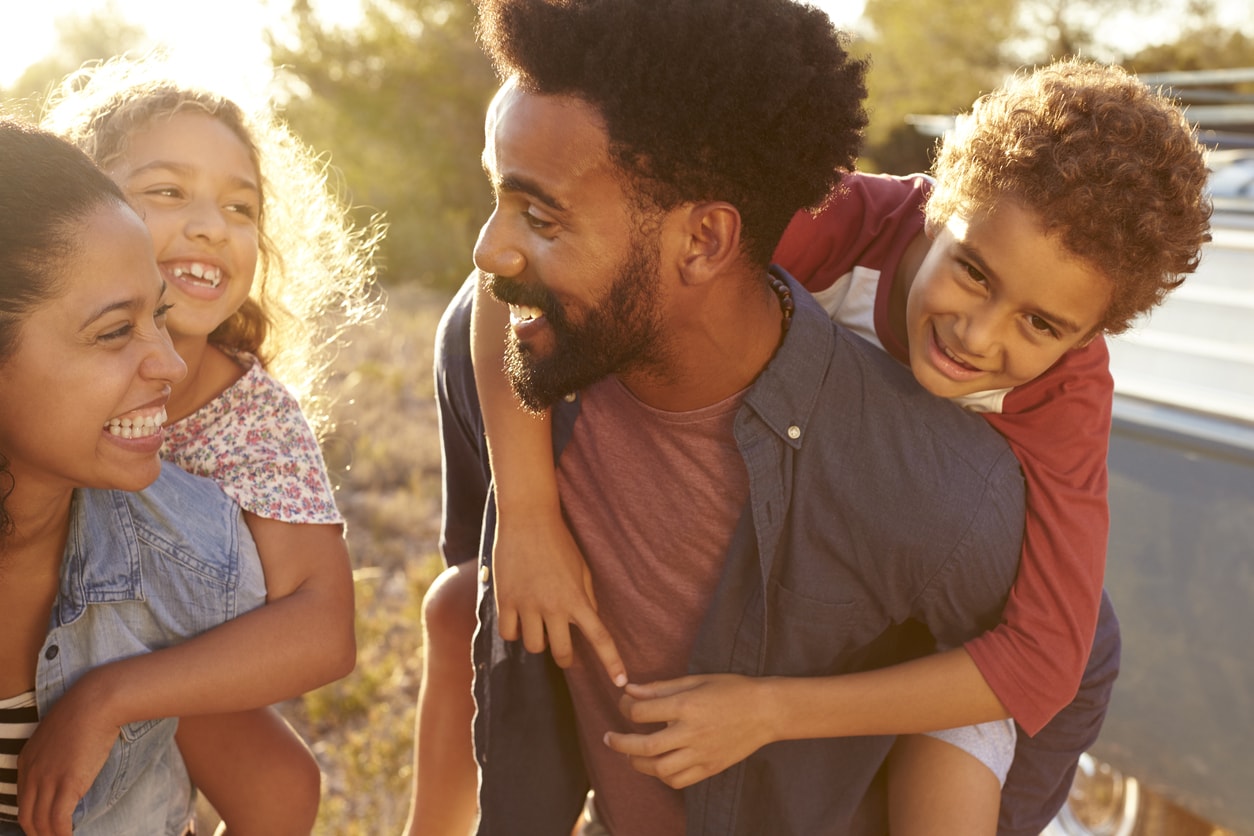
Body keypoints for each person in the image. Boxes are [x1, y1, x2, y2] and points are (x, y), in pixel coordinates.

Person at [414, 40, 1205, 836]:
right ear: (941, 206)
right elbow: (526, 274)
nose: (978, 332)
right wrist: (526, 513)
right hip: (843, 569)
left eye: (1039, 324)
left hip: (970, 651)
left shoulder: (1067, 393)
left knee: (947, 787)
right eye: (971, 270)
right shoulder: (848, 224)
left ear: (1089, 334)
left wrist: (770, 711)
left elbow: (1043, 658)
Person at [33, 55, 383, 834]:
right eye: (166, 192)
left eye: (241, 207)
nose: (209, 226)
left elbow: (324, 627)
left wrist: (117, 695)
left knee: (283, 781)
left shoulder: (252, 414)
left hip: (147, 682)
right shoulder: (28, 361)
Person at [0, 118, 258, 836]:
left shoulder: (192, 552)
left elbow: (280, 784)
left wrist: (116, 696)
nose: (171, 365)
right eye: (116, 331)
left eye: (161, 317)